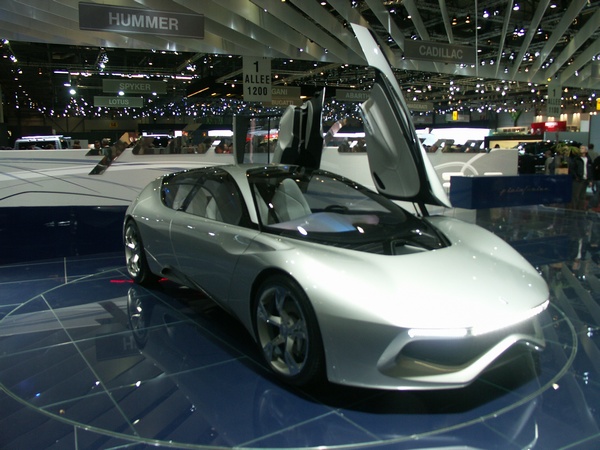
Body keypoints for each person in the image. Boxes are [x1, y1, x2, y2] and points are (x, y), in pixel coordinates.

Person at [569, 145, 592, 210]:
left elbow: (590, 170)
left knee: (582, 196)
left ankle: (581, 208)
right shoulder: (576, 159)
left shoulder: (589, 159)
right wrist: (576, 177)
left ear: (586, 151)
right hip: (578, 179)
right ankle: (574, 209)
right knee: (575, 195)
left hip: (585, 179)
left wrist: (590, 180)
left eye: (582, 148)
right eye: (580, 148)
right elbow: (572, 169)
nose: (580, 149)